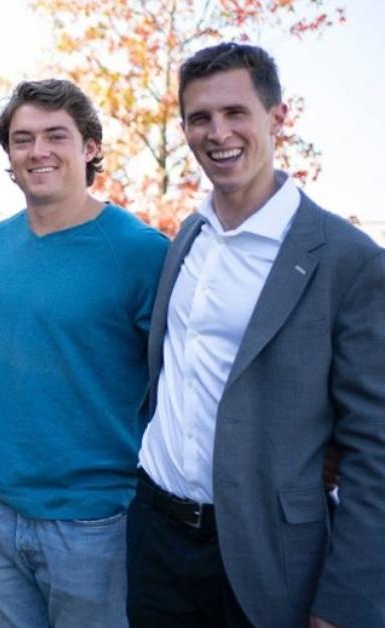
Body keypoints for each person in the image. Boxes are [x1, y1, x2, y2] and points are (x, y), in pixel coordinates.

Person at [128, 42, 385, 628]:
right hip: (156, 538)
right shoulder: (188, 238)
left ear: (276, 118)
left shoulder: (348, 260)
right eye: (200, 117)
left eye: (235, 112)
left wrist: (346, 601)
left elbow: (375, 447)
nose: (218, 133)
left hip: (266, 554)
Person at [0, 79, 169, 627]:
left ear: (90, 146)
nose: (38, 151)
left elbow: (178, 383)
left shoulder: (142, 253)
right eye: (22, 139)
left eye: (56, 135)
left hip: (95, 522)